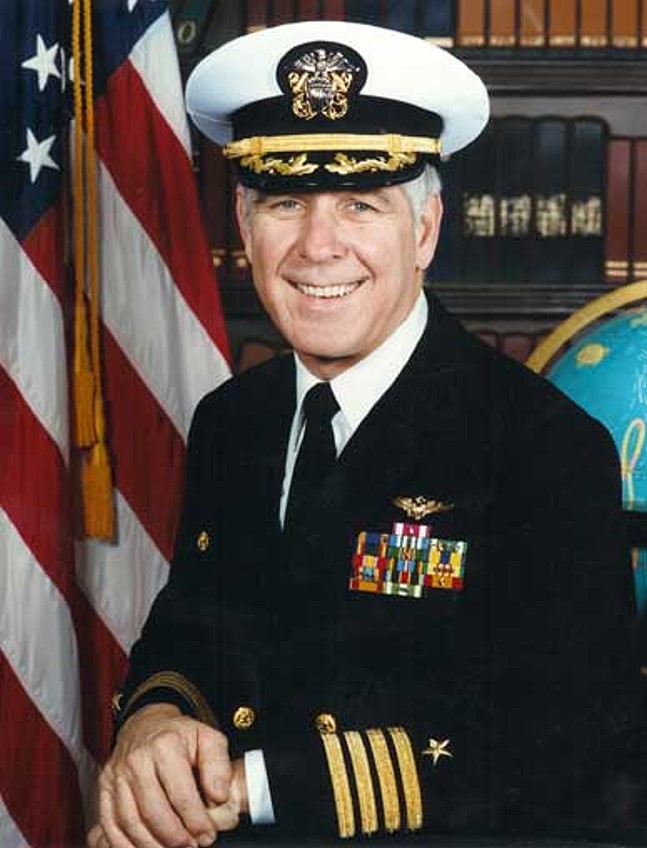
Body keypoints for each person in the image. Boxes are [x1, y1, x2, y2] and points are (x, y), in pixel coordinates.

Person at [88, 20, 644, 848]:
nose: (318, 248)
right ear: (244, 223)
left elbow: (562, 742)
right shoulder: (234, 418)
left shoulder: (541, 447)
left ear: (423, 230)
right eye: (284, 203)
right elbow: (196, 625)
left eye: (360, 204)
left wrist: (249, 786)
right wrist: (153, 718)